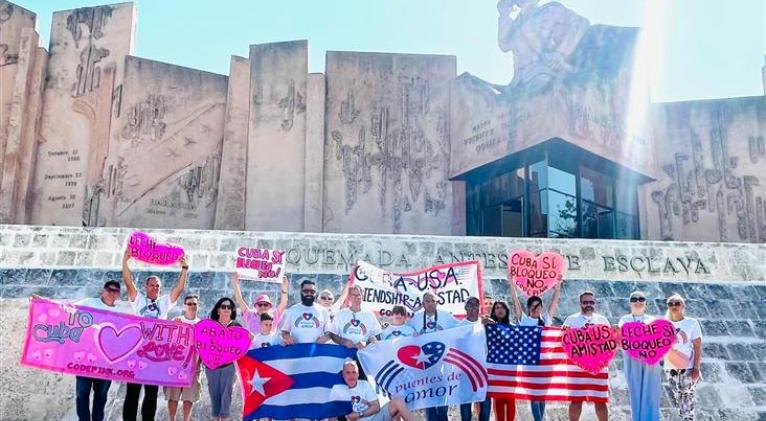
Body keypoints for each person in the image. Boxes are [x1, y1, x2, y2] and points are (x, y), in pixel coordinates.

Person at [122, 249, 189, 421]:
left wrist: (184, 268)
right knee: (132, 393)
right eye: (152, 285)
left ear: (160, 289)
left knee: (151, 394)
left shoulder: (164, 303)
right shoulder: (139, 301)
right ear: (146, 287)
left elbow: (179, 289)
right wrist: (125, 262)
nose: (154, 288)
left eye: (157, 286)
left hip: (155, 354)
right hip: (137, 352)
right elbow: (129, 283)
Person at [72, 280, 129, 421]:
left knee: (101, 395)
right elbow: (67, 310)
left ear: (118, 295)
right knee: (81, 392)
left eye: (115, 290)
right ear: (103, 290)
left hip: (105, 361)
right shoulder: (89, 303)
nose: (111, 292)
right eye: (109, 289)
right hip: (85, 357)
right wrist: (42, 303)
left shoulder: (120, 313)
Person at [508, 276, 562, 421]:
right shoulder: (524, 320)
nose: (537, 308)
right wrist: (511, 283)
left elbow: (554, 302)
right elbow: (515, 301)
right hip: (530, 364)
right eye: (534, 306)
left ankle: (540, 419)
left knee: (542, 395)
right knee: (534, 395)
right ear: (529, 307)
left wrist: (557, 286)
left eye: (539, 306)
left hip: (545, 363)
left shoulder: (545, 320)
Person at [407, 292, 459, 421]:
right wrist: (410, 333)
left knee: (442, 403)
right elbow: (403, 330)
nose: (430, 304)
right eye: (427, 301)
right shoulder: (416, 319)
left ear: (437, 302)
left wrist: (478, 323)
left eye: (433, 301)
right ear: (423, 304)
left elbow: (462, 327)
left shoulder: (446, 317)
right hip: (423, 367)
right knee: (428, 402)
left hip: (442, 366)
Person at [562, 291, 610, 421]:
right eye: (585, 302)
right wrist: (565, 333)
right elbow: (562, 342)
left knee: (600, 401)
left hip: (598, 368)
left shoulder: (602, 320)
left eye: (591, 302)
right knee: (576, 401)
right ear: (580, 304)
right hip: (577, 368)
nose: (589, 305)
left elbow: (610, 343)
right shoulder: (571, 320)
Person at [617, 291, 662, 421]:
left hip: (650, 361)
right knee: (635, 392)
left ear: (645, 303)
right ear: (630, 303)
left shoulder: (652, 320)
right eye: (634, 299)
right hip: (633, 360)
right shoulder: (624, 319)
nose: (638, 301)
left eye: (641, 299)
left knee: (651, 392)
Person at [329, 359, 415, 421]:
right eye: (348, 372)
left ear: (358, 374)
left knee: (397, 402)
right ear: (343, 374)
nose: (351, 376)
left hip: (374, 418)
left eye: (354, 372)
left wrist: (359, 414)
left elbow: (376, 407)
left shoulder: (364, 384)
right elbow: (332, 415)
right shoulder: (337, 389)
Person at [205, 297, 245, 421]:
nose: (226, 309)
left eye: (229, 307)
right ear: (218, 310)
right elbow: (202, 344)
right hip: (211, 366)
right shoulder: (210, 324)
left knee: (226, 395)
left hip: (229, 366)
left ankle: (225, 418)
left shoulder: (236, 326)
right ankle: (215, 418)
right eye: (223, 307)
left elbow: (242, 346)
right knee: (214, 395)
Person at [164, 295, 203, 421]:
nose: (192, 306)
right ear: (184, 305)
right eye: (189, 303)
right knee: (172, 396)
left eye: (194, 304)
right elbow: (167, 340)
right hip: (175, 365)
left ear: (198, 306)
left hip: (194, 366)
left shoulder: (202, 325)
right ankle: (171, 419)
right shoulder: (176, 321)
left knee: (189, 398)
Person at [664, 294, 702, 421]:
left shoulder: (691, 323)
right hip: (670, 368)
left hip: (688, 368)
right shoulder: (663, 324)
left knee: (686, 398)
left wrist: (696, 368)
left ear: (683, 306)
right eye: (671, 304)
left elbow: (697, 346)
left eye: (677, 303)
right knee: (678, 399)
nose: (674, 306)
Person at [459, 297, 491, 421]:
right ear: (465, 308)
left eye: (476, 304)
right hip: (466, 371)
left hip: (483, 370)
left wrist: (492, 324)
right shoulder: (459, 326)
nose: (474, 307)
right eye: (470, 305)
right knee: (466, 404)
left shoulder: (486, 323)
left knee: (485, 403)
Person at [488, 300, 516, 421]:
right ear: (493, 311)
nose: (500, 310)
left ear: (507, 310)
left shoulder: (515, 328)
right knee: (498, 403)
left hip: (511, 372)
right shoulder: (487, 328)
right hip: (495, 372)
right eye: (497, 307)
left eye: (502, 307)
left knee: (510, 402)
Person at [281, 279, 331, 344]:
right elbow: (284, 331)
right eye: (306, 291)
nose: (309, 294)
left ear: (315, 293)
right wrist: (287, 337)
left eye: (312, 291)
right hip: (297, 351)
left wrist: (325, 338)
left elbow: (329, 333)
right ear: (301, 292)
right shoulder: (292, 310)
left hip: (316, 352)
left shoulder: (323, 311)